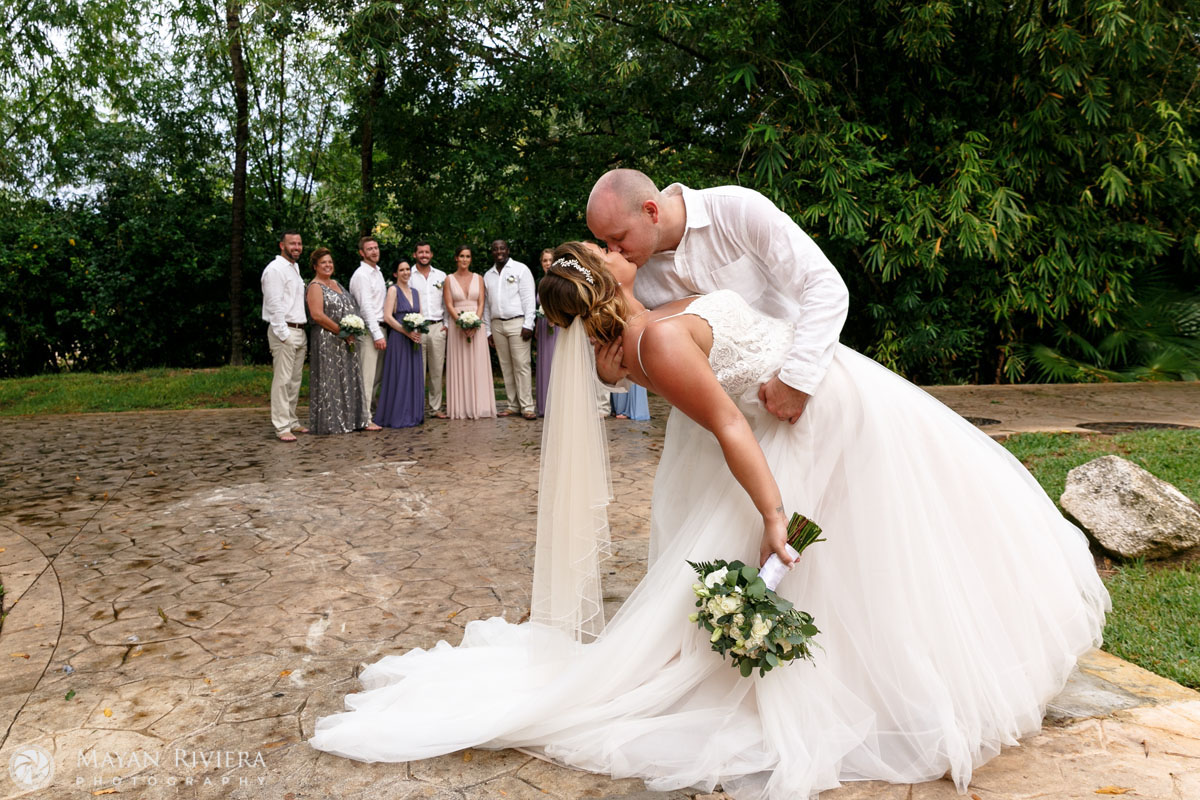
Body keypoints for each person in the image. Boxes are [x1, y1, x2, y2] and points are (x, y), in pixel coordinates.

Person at [311, 241, 1109, 800]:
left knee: (906, 540)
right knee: (843, 564)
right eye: (612, 253)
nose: (627, 253)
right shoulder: (655, 337)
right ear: (606, 279)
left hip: (838, 399)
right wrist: (772, 514)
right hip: (807, 424)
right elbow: (729, 424)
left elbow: (669, 354)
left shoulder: (657, 317)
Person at [586, 168, 848, 425]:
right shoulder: (629, 275)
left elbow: (824, 284)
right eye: (604, 242)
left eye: (618, 237)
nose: (613, 251)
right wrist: (611, 376)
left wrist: (796, 380)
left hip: (808, 394)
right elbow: (650, 355)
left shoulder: (737, 209)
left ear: (651, 211)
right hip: (712, 428)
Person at [306, 248, 369, 435]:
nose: (328, 265)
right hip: (327, 339)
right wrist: (341, 331)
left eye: (330, 262)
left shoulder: (337, 283)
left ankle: (350, 419)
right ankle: (331, 422)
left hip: (345, 340)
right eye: (323, 262)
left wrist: (353, 329)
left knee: (345, 378)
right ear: (315, 266)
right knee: (329, 379)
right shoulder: (315, 286)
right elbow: (317, 315)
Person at [260, 229, 309, 442]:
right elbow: (274, 304)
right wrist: (283, 334)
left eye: (299, 243)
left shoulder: (294, 268)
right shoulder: (275, 270)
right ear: (282, 245)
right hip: (285, 331)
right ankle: (281, 426)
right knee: (282, 380)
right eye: (292, 244)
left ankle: (291, 419)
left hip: (300, 329)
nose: (296, 247)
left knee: (295, 380)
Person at [482, 239, 536, 419]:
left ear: (508, 250)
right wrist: (488, 331)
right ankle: (512, 405)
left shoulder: (521, 269)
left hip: (517, 323)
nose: (499, 251)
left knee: (522, 365)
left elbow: (529, 299)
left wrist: (529, 324)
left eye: (502, 248)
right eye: (495, 249)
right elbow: (487, 307)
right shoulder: (487, 275)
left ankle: (527, 406)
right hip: (497, 325)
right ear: (492, 252)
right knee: (506, 366)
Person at [443, 245, 497, 420]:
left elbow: (482, 303)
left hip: (476, 326)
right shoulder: (449, 279)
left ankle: (481, 406)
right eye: (461, 256)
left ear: (470, 259)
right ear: (456, 258)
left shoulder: (479, 278)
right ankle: (461, 407)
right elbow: (449, 304)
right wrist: (460, 323)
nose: (465, 259)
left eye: (467, 256)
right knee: (460, 364)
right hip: (457, 326)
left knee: (477, 364)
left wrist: (475, 323)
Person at [374, 261, 425, 429]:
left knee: (413, 375)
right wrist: (406, 332)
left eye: (407, 269)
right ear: (396, 274)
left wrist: (418, 330)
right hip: (399, 338)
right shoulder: (393, 290)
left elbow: (420, 314)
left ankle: (413, 413)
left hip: (414, 339)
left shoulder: (416, 292)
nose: (405, 272)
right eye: (401, 270)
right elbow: (388, 317)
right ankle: (397, 414)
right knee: (400, 375)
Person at [349, 236, 387, 427]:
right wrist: (377, 334)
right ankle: (363, 418)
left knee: (376, 377)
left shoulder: (377, 272)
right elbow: (365, 307)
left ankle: (369, 413)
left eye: (376, 247)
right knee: (367, 376)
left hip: (380, 327)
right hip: (369, 331)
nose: (374, 251)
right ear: (362, 253)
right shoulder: (361, 275)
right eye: (369, 249)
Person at [409, 241, 450, 419]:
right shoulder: (408, 275)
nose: (424, 255)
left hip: (437, 327)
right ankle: (417, 407)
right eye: (420, 252)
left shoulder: (441, 276)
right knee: (417, 370)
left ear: (431, 254)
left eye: (427, 252)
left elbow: (447, 302)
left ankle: (435, 408)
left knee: (436, 370)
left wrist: (446, 325)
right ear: (415, 255)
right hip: (417, 328)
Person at [534, 248, 558, 417]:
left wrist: (554, 317)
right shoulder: (541, 282)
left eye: (550, 260)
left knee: (555, 363)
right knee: (544, 364)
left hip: (557, 326)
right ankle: (544, 405)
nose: (547, 263)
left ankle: (557, 404)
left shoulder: (560, 281)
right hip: (543, 327)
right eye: (544, 261)